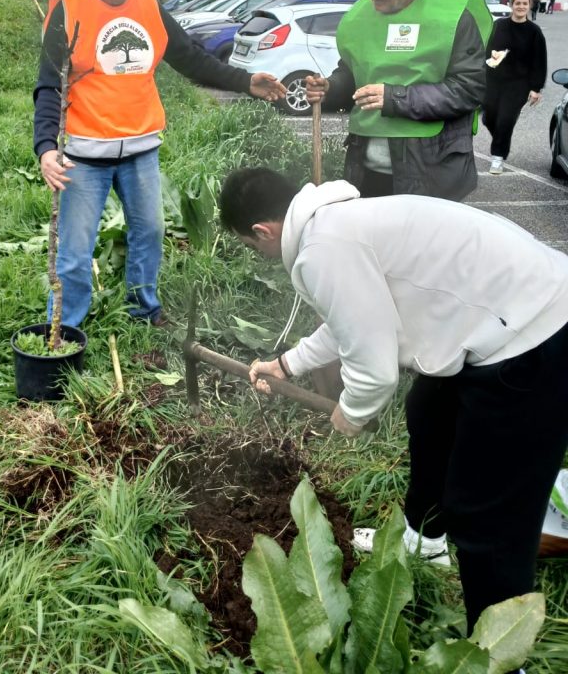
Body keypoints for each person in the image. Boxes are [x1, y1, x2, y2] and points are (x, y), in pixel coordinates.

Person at [220, 165, 568, 640]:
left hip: (535, 334)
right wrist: (287, 365)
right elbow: (355, 318)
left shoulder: (326, 248)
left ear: (262, 231)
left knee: (488, 515)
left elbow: (374, 368)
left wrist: (353, 413)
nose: (257, 254)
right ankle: (425, 541)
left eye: (249, 245)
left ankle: (497, 652)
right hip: (509, 311)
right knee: (429, 412)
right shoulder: (336, 223)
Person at [33, 0, 285, 329]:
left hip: (140, 150)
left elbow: (190, 56)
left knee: (149, 234)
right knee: (75, 251)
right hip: (83, 154)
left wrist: (244, 81)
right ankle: (64, 329)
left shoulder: (148, 2)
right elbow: (48, 85)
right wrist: (46, 148)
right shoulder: (68, 6)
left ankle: (144, 311)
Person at [305, 0, 491, 199]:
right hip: (366, 174)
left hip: (432, 174)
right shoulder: (361, 14)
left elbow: (468, 89)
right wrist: (330, 88)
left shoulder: (453, 15)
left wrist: (394, 97)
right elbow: (352, 71)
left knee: (422, 241)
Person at [483, 0, 547, 174]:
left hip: (519, 84)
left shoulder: (534, 32)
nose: (521, 7)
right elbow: (487, 47)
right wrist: (492, 56)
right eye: (517, 3)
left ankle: (497, 158)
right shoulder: (499, 25)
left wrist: (536, 88)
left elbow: (539, 60)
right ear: (512, 5)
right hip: (494, 80)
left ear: (530, 6)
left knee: (505, 120)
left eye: (524, 4)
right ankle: (502, 141)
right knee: (489, 118)